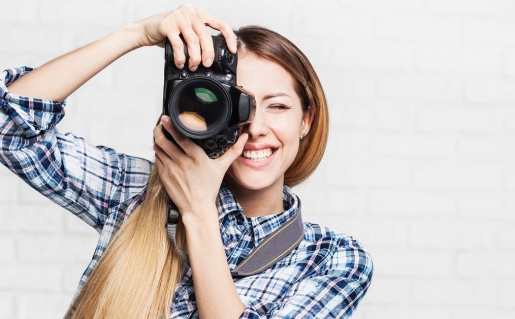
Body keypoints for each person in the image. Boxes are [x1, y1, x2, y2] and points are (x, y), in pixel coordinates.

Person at [0, 3, 373, 319]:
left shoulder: (333, 258)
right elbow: (9, 130)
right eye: (238, 105)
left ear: (306, 120)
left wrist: (197, 210)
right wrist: (134, 34)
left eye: (277, 106)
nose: (255, 127)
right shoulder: (136, 194)